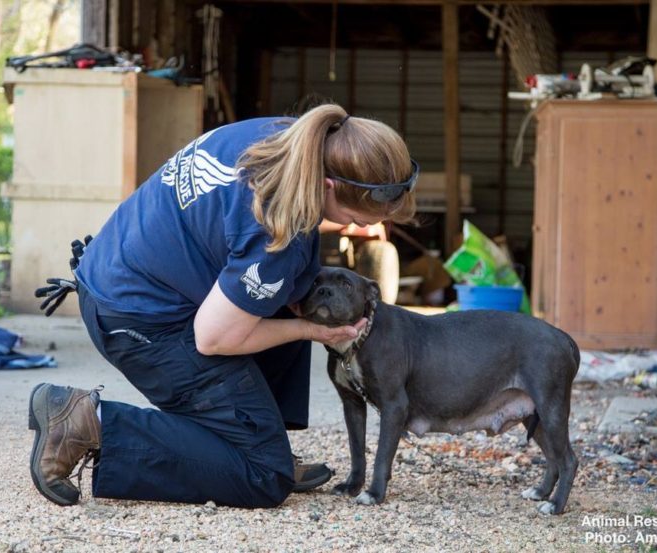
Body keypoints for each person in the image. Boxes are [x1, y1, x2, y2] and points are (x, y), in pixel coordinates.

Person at [27, 103, 418, 508]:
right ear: (330, 186)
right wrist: (313, 330)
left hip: (114, 271)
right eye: (354, 217)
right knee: (264, 474)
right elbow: (214, 338)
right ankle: (88, 421)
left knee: (292, 291)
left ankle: (253, 437)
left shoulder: (292, 137)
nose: (355, 227)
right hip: (139, 321)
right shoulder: (279, 230)